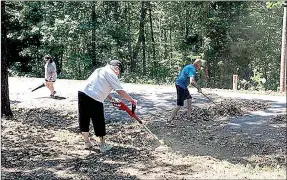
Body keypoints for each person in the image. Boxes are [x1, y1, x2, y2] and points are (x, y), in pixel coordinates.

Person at [78, 59, 137, 152]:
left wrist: (110, 98)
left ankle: (87, 143)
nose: (118, 74)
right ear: (116, 68)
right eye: (119, 72)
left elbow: (99, 85)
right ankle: (102, 145)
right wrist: (131, 100)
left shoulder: (99, 70)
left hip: (82, 92)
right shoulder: (111, 73)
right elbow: (120, 91)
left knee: (84, 118)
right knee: (98, 120)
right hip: (95, 97)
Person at [168, 59, 204, 123]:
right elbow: (192, 81)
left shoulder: (190, 66)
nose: (200, 67)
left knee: (189, 98)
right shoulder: (192, 69)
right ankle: (169, 119)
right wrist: (198, 88)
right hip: (180, 86)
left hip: (183, 86)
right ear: (197, 64)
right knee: (179, 104)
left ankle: (189, 116)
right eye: (200, 65)